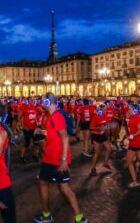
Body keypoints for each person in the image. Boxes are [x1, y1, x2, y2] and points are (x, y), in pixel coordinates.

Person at [34, 93, 89, 223]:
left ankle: (47, 215)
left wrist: (64, 161)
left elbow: (65, 137)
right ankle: (79, 217)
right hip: (52, 158)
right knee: (60, 186)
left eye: (43, 101)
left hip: (55, 159)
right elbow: (56, 134)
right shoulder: (54, 116)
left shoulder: (56, 117)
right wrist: (43, 132)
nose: (42, 103)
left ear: (49, 102)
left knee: (50, 185)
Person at [89, 105, 113, 176]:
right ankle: (92, 169)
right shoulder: (96, 117)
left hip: (103, 135)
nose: (106, 110)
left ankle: (105, 164)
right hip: (96, 135)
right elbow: (91, 127)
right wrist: (99, 128)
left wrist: (107, 132)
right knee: (97, 153)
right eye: (105, 109)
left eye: (106, 109)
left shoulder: (105, 116)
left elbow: (106, 125)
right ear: (101, 110)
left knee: (109, 149)